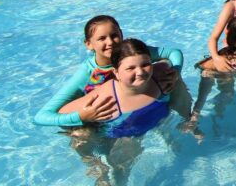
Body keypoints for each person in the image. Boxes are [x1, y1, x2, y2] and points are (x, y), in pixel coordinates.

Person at [34, 15, 182, 127]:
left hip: (126, 105)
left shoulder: (131, 54)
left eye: (114, 36)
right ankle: (93, 165)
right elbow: (41, 116)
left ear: (121, 34)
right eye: (101, 39)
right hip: (94, 117)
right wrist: (81, 117)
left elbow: (173, 53)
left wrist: (176, 71)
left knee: (170, 77)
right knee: (81, 135)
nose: (110, 42)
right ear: (89, 44)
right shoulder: (86, 73)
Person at [59, 39, 171, 139]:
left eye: (145, 64)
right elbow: (61, 114)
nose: (140, 72)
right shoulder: (106, 97)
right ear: (116, 72)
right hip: (119, 136)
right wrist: (83, 115)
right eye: (130, 68)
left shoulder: (162, 76)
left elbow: (173, 54)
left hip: (156, 122)